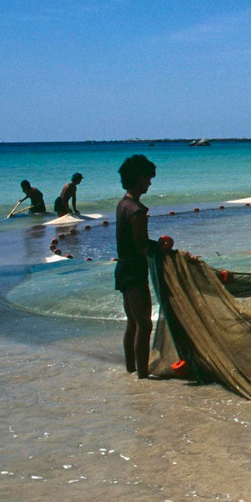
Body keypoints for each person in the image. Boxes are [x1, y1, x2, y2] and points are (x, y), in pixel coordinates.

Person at [115, 155, 157, 379]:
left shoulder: (123, 204)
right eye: (147, 178)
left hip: (122, 269)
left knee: (132, 322)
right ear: (137, 178)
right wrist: (161, 249)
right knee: (145, 324)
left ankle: (131, 367)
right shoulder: (137, 210)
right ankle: (143, 374)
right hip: (135, 271)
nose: (150, 182)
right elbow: (142, 246)